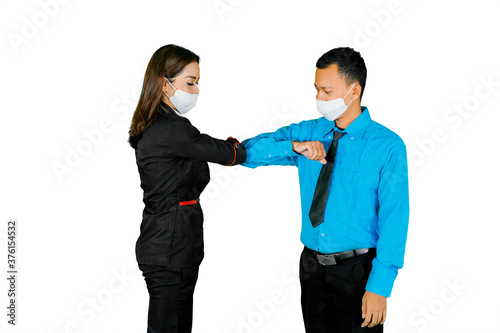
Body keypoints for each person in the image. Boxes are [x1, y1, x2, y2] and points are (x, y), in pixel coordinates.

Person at [242, 47, 409, 332]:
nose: (319, 98)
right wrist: (292, 147)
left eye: (327, 91)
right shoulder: (309, 132)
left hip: (358, 271)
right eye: (317, 89)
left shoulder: (388, 145)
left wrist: (380, 286)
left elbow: (394, 218)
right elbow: (246, 152)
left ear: (354, 91)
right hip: (311, 268)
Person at [128, 44, 246, 333]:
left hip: (165, 246)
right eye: (190, 82)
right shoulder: (172, 129)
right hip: (170, 250)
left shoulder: (157, 125)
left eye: (197, 83)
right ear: (163, 84)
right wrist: (273, 146)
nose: (195, 90)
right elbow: (229, 154)